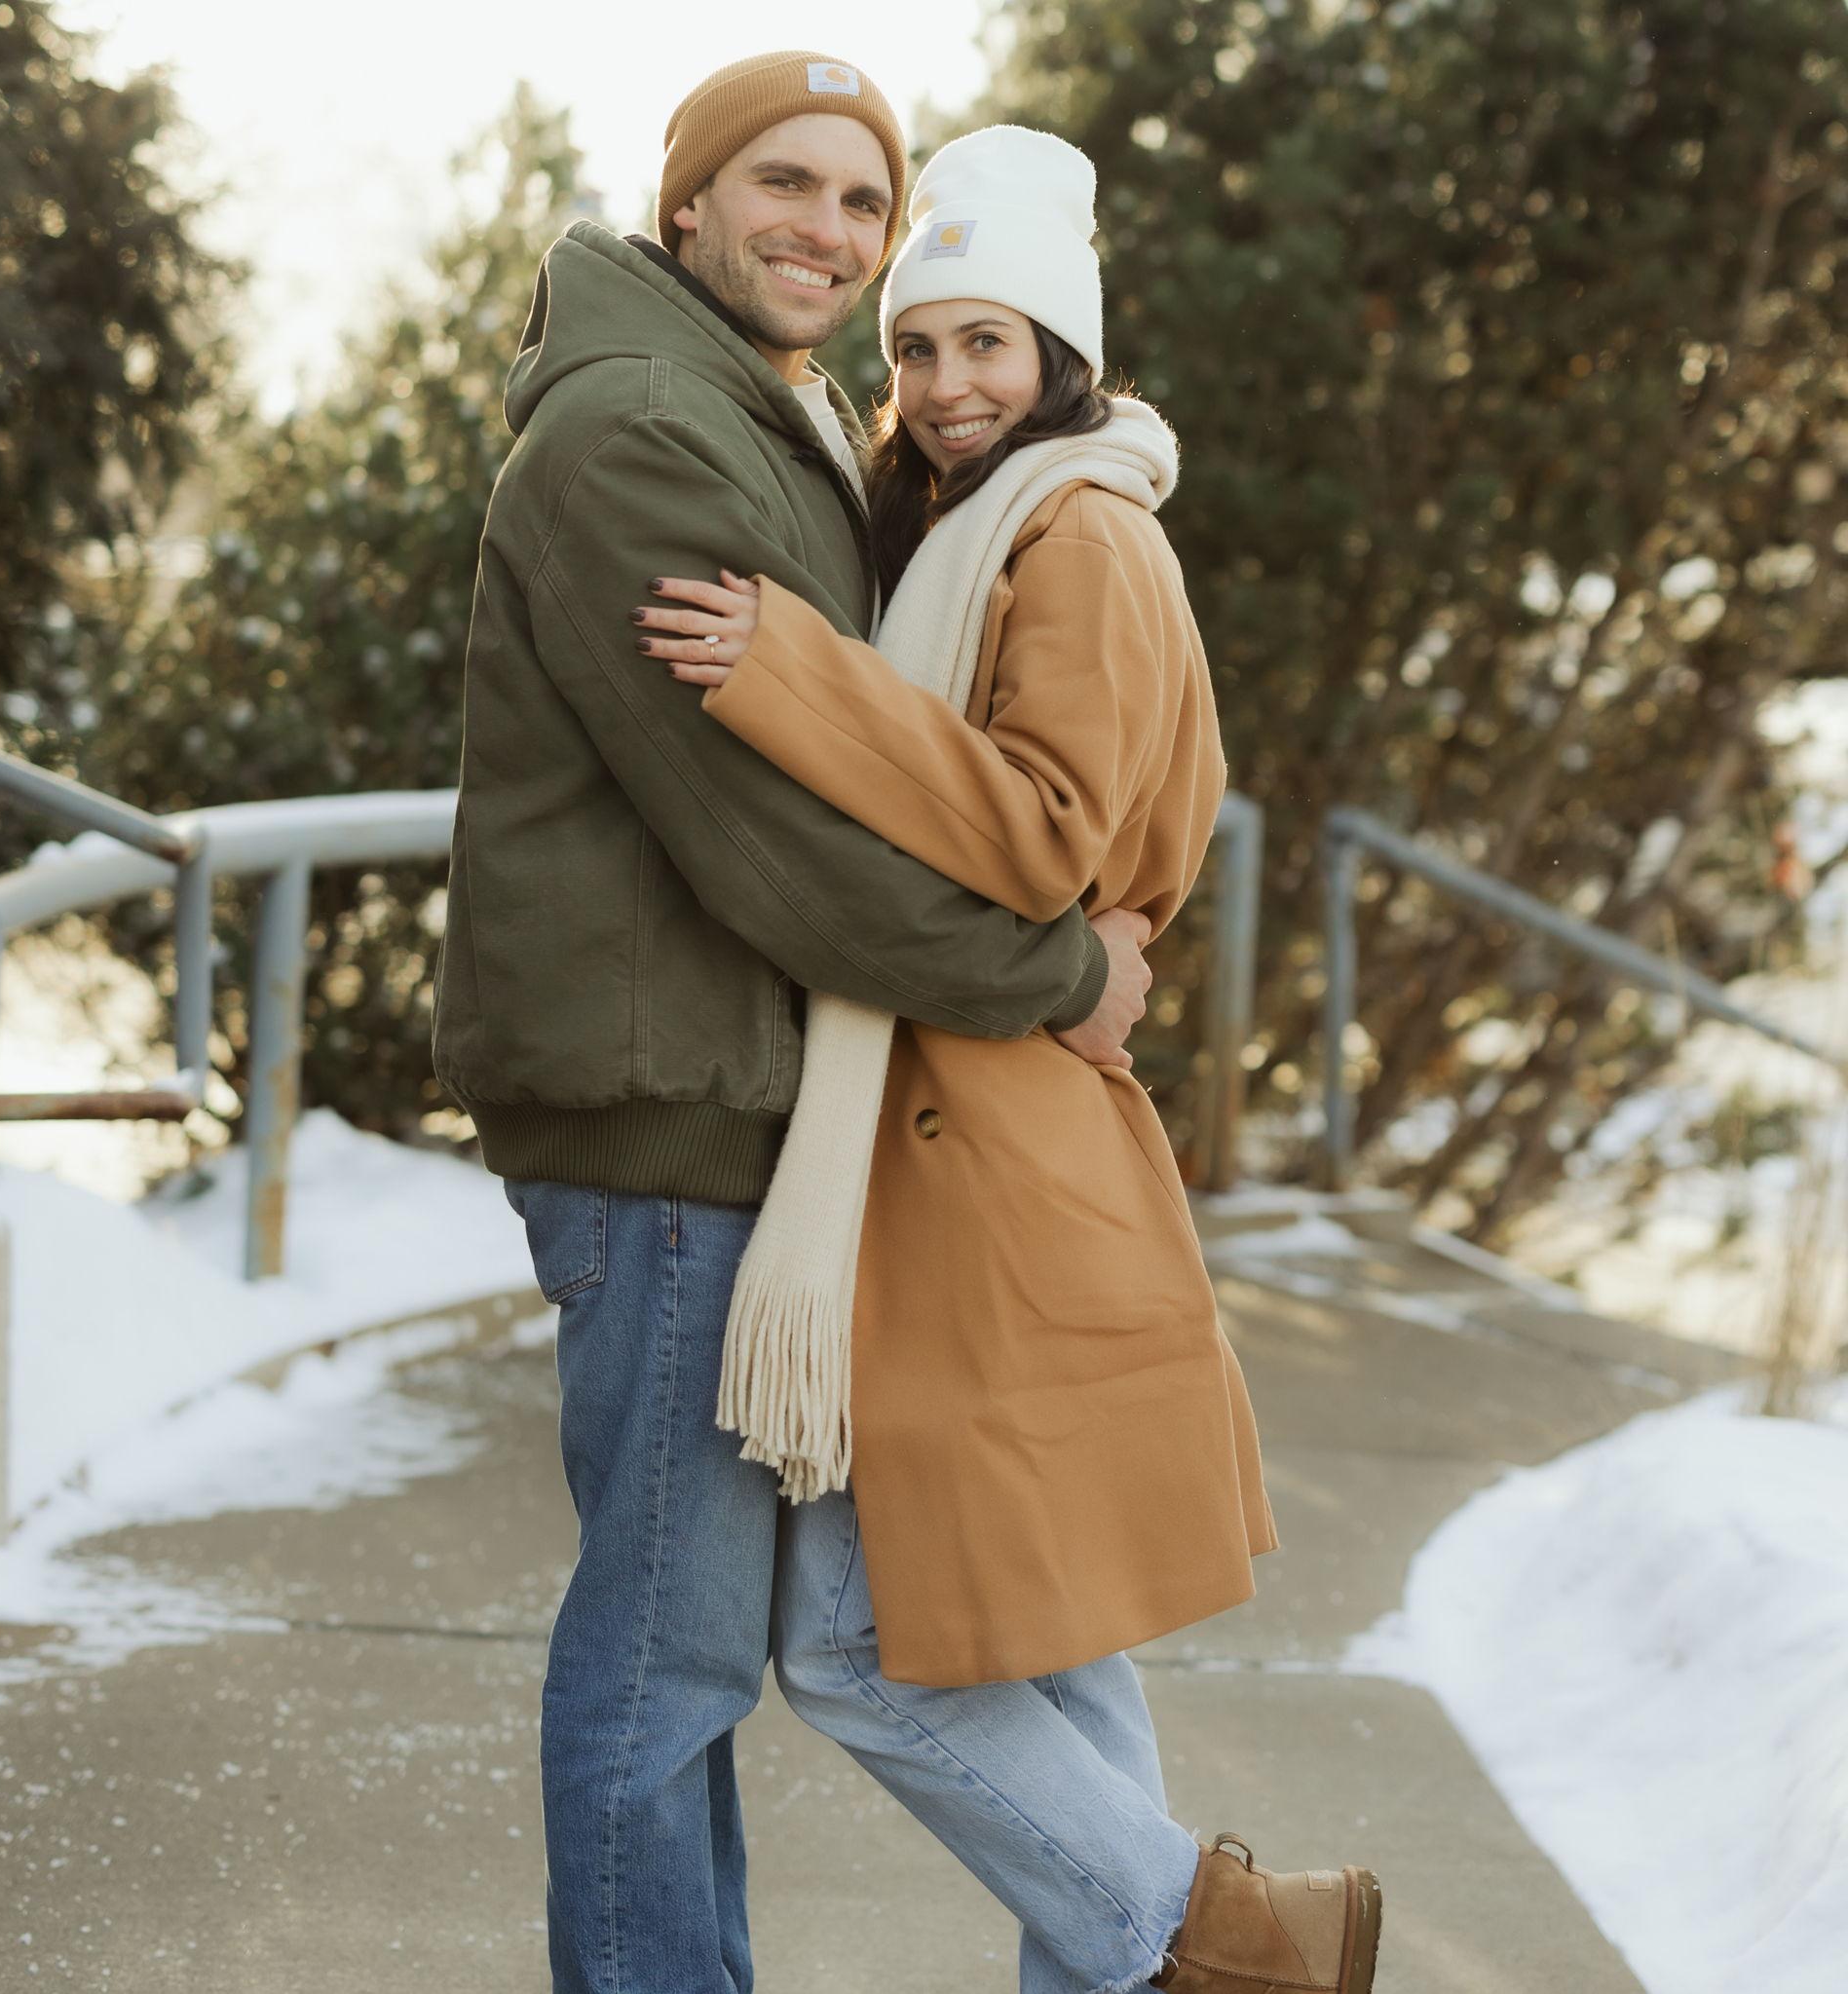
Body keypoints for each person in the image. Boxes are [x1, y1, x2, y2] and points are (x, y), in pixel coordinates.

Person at [429, 56, 1159, 1994]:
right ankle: (1182, 1932)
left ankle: (1150, 1932)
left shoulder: (794, 416)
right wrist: (1062, 976)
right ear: (687, 206)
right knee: (667, 1661)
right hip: (664, 1123)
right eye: (782, 184)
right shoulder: (637, 435)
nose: (823, 231)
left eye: (861, 200)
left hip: (753, 1122)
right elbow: (783, 838)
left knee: (788, 1642)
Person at [635, 126, 1382, 1993]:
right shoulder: (973, 531)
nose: (950, 388)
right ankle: (1196, 1959)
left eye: (991, 345)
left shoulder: (1086, 537)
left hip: (1001, 1141)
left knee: (864, 1652)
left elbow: (1048, 829)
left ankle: (1217, 1947)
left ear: (1065, 354)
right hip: (970, 1122)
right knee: (1046, 1634)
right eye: (920, 347)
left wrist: (790, 674)